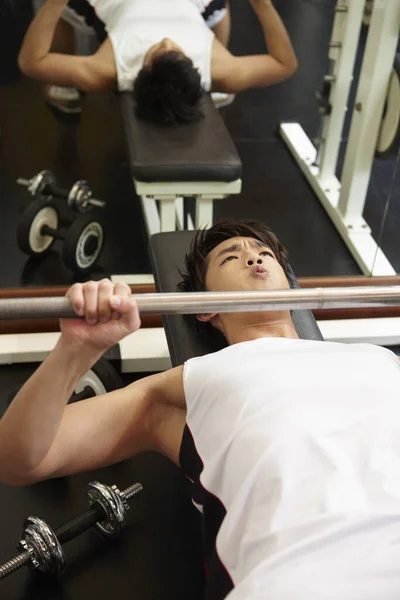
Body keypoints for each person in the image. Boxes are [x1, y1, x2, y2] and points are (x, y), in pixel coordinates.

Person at [1, 219, 400, 599]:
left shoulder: (378, 358)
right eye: (231, 256)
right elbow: (19, 461)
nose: (254, 257)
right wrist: (76, 351)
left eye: (264, 252)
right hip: (292, 582)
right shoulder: (194, 380)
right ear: (205, 308)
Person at [17, 0, 298, 122]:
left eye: (156, 52)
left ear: (143, 69)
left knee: (64, 10)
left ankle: (66, 89)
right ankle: (218, 93)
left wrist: (54, 3)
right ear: (193, 67)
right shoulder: (219, 67)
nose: (165, 41)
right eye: (175, 50)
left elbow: (32, 61)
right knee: (220, 8)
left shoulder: (108, 68)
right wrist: (263, 5)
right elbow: (284, 64)